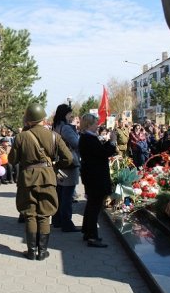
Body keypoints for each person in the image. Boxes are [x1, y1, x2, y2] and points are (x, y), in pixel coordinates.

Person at [8, 103, 73, 260]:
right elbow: (69, 158)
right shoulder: (54, 136)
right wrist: (55, 165)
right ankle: (42, 252)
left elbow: (12, 160)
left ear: (28, 120)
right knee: (44, 215)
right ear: (43, 118)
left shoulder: (21, 137)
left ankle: (31, 252)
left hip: (27, 179)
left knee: (30, 215)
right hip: (48, 177)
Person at [79, 113, 117, 247]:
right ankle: (92, 237)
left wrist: (108, 143)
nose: (98, 126)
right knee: (95, 206)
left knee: (92, 205)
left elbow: (99, 151)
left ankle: (87, 232)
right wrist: (112, 142)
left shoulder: (88, 137)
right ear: (89, 125)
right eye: (95, 123)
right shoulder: (88, 139)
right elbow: (103, 153)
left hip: (92, 176)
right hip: (95, 177)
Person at [51, 104, 81, 233]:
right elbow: (77, 143)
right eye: (70, 114)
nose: (71, 116)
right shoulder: (66, 128)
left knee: (59, 192)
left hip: (59, 166)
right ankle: (67, 223)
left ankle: (56, 220)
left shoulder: (55, 127)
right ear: (65, 114)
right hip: (70, 165)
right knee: (67, 195)